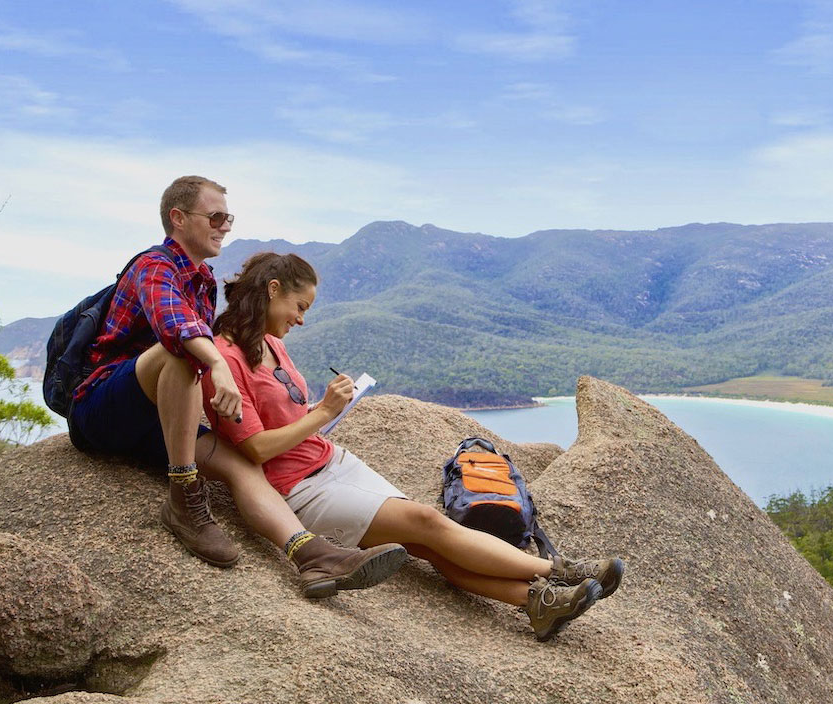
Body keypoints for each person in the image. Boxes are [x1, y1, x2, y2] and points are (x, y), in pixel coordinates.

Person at [202, 251, 626, 640]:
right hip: (298, 489)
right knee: (427, 522)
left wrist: (321, 408)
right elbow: (256, 449)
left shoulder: (272, 344)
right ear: (273, 290)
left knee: (424, 544)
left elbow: (288, 415)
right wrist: (323, 413)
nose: (301, 321)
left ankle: (538, 604)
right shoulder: (224, 362)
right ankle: (561, 571)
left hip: (331, 461)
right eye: (300, 308)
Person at [68, 175, 407, 597]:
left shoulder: (204, 281)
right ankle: (183, 497)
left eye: (228, 218)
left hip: (160, 420)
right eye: (215, 216)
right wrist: (218, 365)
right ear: (178, 218)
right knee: (180, 352)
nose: (224, 226)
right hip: (103, 408)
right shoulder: (153, 265)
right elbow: (176, 328)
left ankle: (311, 556)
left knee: (243, 465)